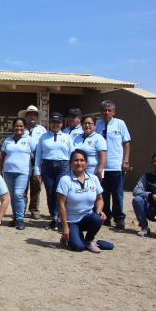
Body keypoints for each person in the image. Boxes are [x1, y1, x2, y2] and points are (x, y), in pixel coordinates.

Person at [57, 149, 106, 253]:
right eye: (76, 160)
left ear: (86, 163)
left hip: (86, 218)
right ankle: (67, 235)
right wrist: (65, 226)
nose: (79, 163)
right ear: (70, 163)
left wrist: (99, 210)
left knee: (97, 218)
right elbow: (61, 204)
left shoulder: (93, 179)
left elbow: (100, 199)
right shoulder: (65, 180)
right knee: (78, 247)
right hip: (70, 220)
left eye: (82, 160)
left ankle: (89, 240)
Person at [95, 100, 131, 229]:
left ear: (113, 112)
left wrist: (125, 160)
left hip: (116, 165)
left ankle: (119, 218)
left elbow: (126, 143)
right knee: (103, 193)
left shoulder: (120, 124)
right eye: (104, 110)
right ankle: (106, 216)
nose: (107, 113)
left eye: (109, 110)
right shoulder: (96, 125)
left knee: (117, 193)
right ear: (100, 112)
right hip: (101, 166)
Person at [35, 112, 73, 231]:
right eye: (53, 122)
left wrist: (73, 170)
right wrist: (37, 171)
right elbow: (38, 155)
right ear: (49, 123)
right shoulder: (44, 137)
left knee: (61, 194)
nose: (55, 124)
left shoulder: (67, 137)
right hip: (48, 166)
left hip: (63, 166)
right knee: (50, 193)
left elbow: (72, 153)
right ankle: (53, 219)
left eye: (57, 122)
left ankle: (62, 220)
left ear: (61, 124)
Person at [0, 117, 36, 230]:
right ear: (13, 127)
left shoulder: (29, 140)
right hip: (8, 171)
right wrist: (0, 171)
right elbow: (2, 156)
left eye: (21, 126)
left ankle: (20, 219)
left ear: (25, 127)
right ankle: (15, 217)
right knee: (13, 195)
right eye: (16, 126)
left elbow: (35, 155)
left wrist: (33, 167)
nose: (18, 128)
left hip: (23, 172)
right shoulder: (8, 140)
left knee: (19, 194)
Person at [18, 105, 47, 220]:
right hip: (23, 161)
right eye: (30, 114)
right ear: (26, 116)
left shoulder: (42, 130)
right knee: (23, 186)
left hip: (36, 161)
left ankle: (34, 209)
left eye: (34, 114)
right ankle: (22, 209)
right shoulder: (21, 128)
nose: (32, 116)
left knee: (36, 186)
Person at [73, 115, 107, 181]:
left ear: (95, 126)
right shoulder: (77, 138)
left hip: (93, 172)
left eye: (90, 123)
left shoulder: (98, 138)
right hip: (79, 172)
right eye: (85, 123)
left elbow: (103, 156)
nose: (87, 125)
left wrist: (99, 171)